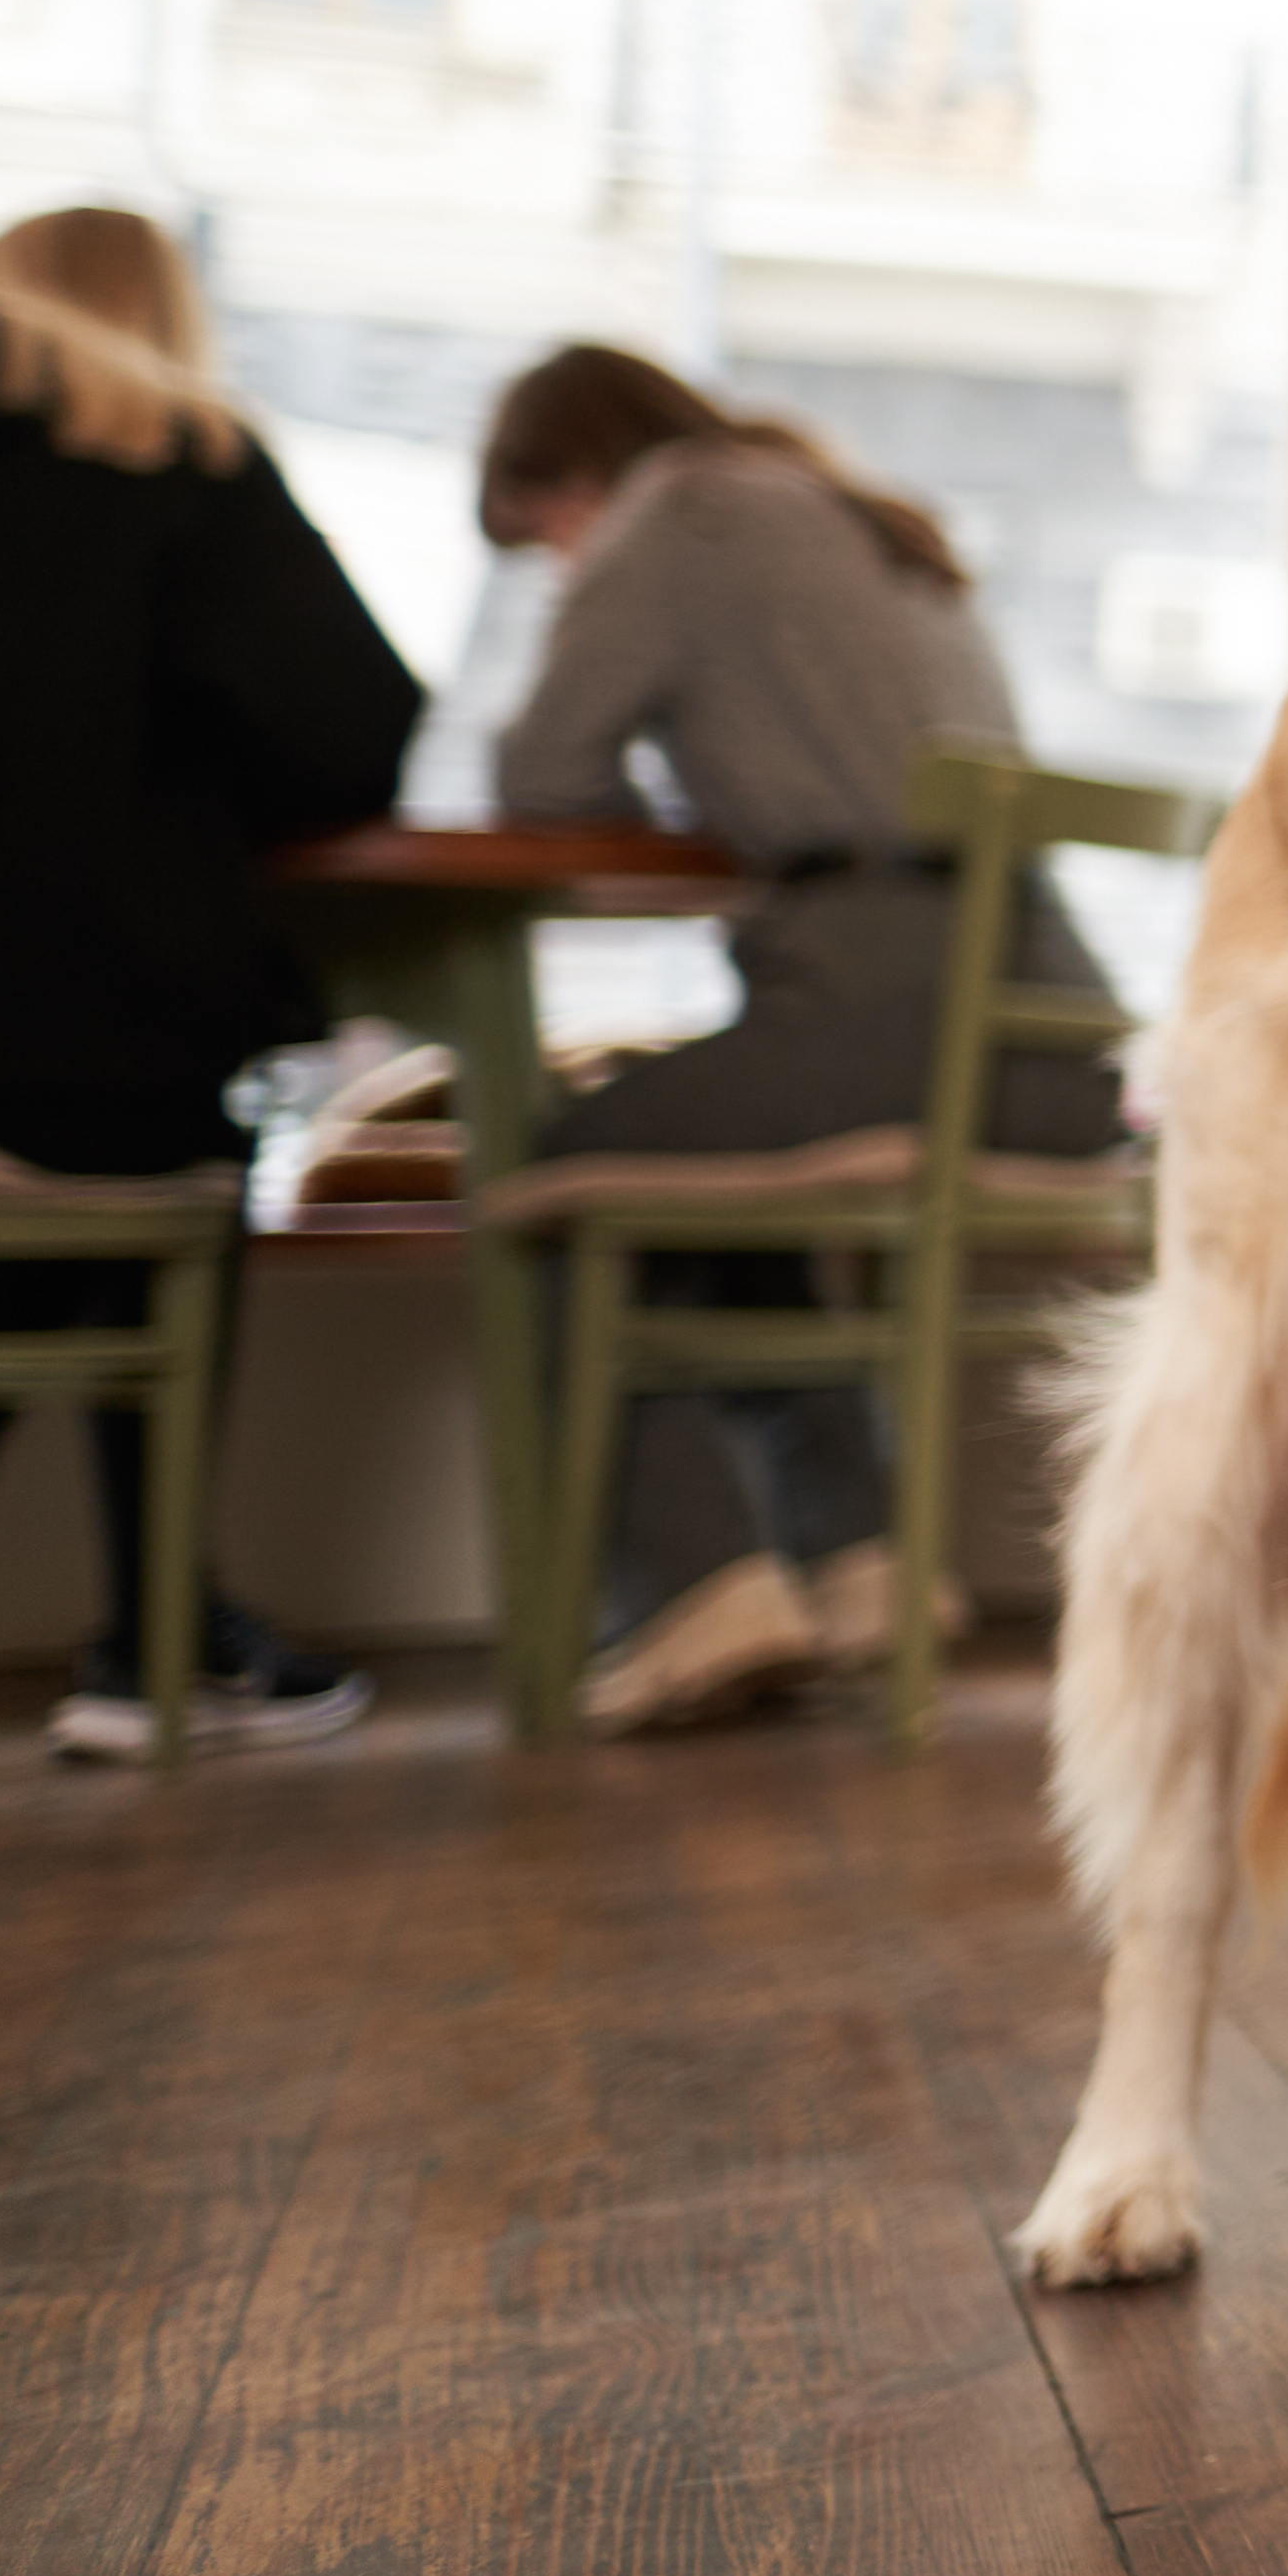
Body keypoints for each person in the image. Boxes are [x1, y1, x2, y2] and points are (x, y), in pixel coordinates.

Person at [478, 345, 1123, 1735]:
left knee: (559, 1161)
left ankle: (688, 1592)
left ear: (580, 475)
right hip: (1057, 1031)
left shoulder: (682, 510)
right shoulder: (858, 513)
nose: (563, 569)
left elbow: (539, 778)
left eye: (551, 541)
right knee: (710, 1188)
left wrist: (691, 798)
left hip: (885, 988)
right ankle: (862, 1566)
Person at [0, 205, 421, 1758]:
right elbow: (353, 732)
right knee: (154, 1153)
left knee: (61, 1209)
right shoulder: (183, 459)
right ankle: (153, 1640)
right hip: (104, 1045)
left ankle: (165, 1628)